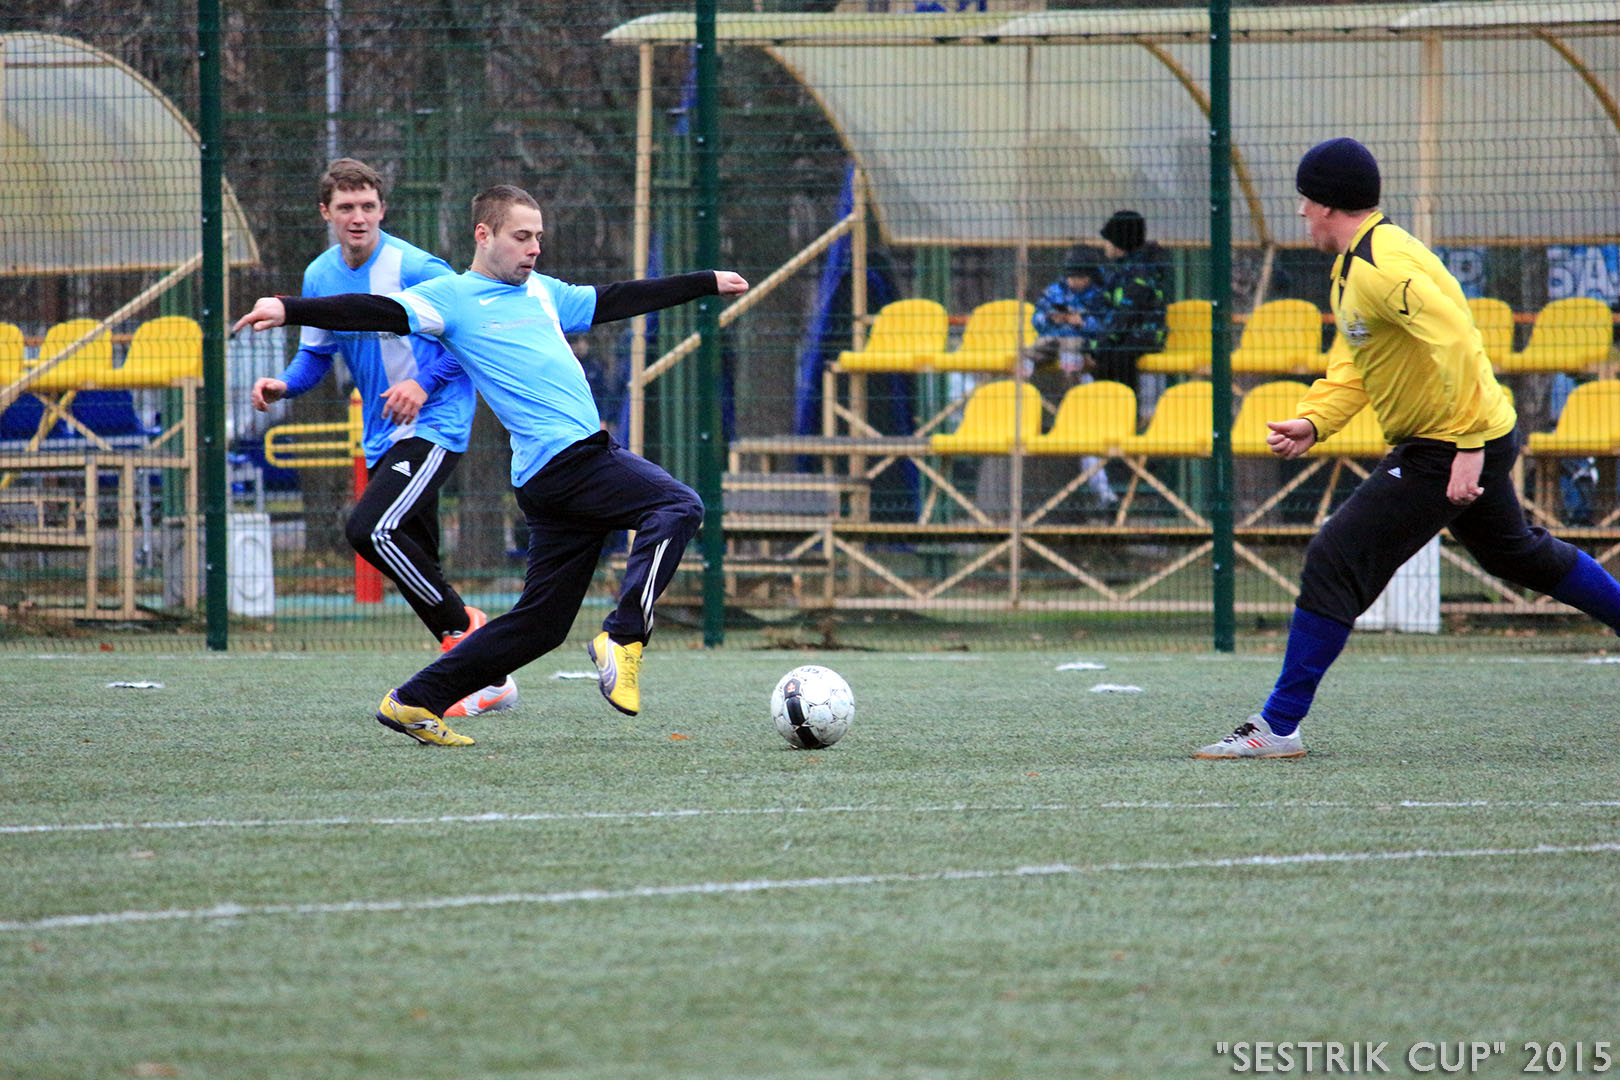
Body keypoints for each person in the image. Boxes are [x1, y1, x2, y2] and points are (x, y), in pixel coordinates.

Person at [234, 184, 749, 747]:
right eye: (521, 237)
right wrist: (289, 308)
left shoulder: (544, 292)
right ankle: (624, 638)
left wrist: (703, 282)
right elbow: (376, 309)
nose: (534, 249)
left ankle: (414, 700)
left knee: (541, 625)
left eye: (539, 238)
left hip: (548, 477)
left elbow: (617, 298)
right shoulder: (453, 297)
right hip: (569, 461)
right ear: (484, 235)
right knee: (678, 505)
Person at [1198, 137, 1620, 759]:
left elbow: (1458, 343)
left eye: (1305, 200)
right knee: (1516, 554)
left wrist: (1469, 446)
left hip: (1449, 442)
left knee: (1335, 557)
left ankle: (1277, 727)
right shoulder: (1359, 263)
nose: (1300, 212)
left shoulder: (1381, 266)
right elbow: (1359, 358)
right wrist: (1316, 421)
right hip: (1464, 435)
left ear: (1328, 204)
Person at [249, 158, 516, 719]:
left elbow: (471, 336)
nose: (358, 217)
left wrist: (422, 383)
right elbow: (316, 355)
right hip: (384, 434)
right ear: (326, 213)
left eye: (367, 206)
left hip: (435, 422)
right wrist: (284, 386)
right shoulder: (320, 275)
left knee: (369, 528)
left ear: (382, 210)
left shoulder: (415, 267)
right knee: (420, 563)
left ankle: (467, 629)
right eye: (346, 207)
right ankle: (489, 678)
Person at [1028, 245, 1116, 511]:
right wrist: (1055, 320)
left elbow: (1105, 325)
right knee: (1083, 436)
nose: (1074, 281)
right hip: (1074, 376)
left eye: (1080, 277)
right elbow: (1039, 319)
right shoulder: (1056, 292)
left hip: (1097, 372)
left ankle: (1104, 493)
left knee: (1094, 432)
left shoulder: (1101, 296)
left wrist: (1081, 322)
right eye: (1071, 276)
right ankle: (1102, 494)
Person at [1091, 210, 1168, 397]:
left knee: (1119, 355)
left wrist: (1105, 340)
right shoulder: (1121, 271)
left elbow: (1127, 313)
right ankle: (1106, 406)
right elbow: (1106, 304)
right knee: (1105, 353)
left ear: (1119, 243)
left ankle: (1128, 406)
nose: (1105, 245)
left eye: (1107, 240)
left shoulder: (1139, 273)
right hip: (1124, 332)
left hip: (1145, 333)